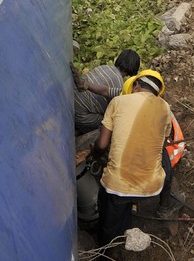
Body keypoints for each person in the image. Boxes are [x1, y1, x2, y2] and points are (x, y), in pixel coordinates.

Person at [92, 70, 174, 250]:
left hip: (118, 186)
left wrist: (94, 155)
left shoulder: (118, 101)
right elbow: (163, 142)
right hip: (151, 187)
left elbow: (102, 144)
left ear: (136, 85)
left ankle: (104, 259)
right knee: (161, 157)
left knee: (108, 216)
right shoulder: (165, 107)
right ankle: (161, 205)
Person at [73, 49, 140, 135]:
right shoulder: (119, 84)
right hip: (80, 116)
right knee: (109, 121)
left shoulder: (104, 67)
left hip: (72, 103)